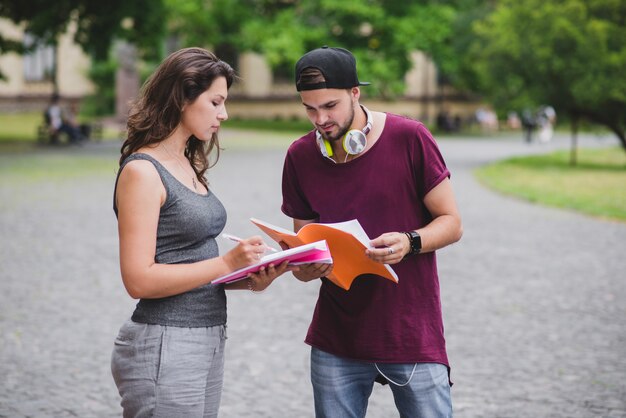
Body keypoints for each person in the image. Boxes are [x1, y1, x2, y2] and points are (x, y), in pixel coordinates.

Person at [281, 46, 463, 417]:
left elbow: (452, 223)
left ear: (355, 93)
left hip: (411, 333)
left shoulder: (410, 137)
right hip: (336, 339)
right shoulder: (299, 156)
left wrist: (409, 242)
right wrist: (305, 267)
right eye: (310, 108)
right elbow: (302, 253)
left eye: (329, 106)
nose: (320, 119)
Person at [110, 47, 292, 417]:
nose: (223, 114)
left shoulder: (188, 163)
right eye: (215, 102)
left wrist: (251, 276)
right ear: (182, 98)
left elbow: (190, 263)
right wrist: (226, 263)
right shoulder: (142, 172)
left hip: (206, 335)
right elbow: (139, 279)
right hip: (166, 340)